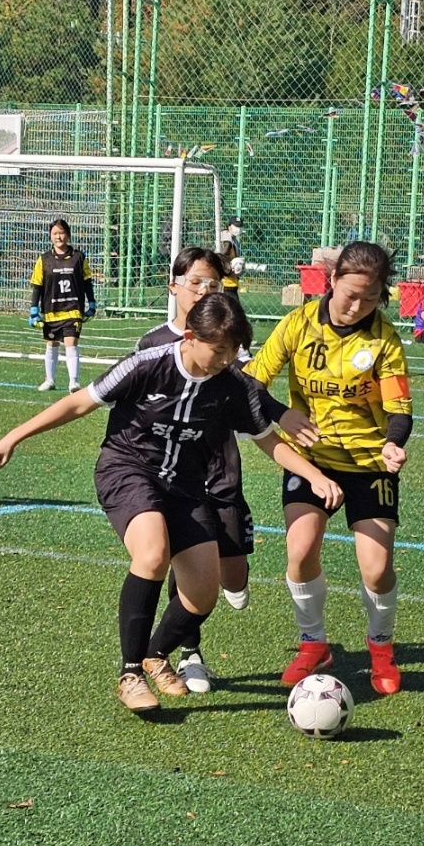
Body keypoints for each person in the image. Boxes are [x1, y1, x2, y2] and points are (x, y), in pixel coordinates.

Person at [0, 294, 342, 714]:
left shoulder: (233, 386)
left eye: (233, 351)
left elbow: (268, 441)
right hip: (128, 469)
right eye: (219, 349)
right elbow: (80, 402)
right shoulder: (148, 364)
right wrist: (14, 436)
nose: (227, 359)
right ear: (191, 336)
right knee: (153, 552)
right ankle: (131, 673)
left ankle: (156, 655)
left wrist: (315, 475)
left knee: (201, 595)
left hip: (186, 489)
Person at [136, 247, 318, 693]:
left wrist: (279, 413)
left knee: (231, 574)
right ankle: (187, 655)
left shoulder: (226, 340)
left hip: (222, 473)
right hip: (170, 479)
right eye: (197, 281)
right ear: (174, 284)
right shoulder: (152, 345)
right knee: (183, 564)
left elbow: (249, 388)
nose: (204, 291)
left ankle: (221, 588)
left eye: (213, 284)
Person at [244, 241, 412, 697]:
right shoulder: (297, 324)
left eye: (371, 298)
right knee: (300, 552)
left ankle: (381, 648)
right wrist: (282, 413)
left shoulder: (384, 339)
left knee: (376, 569)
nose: (357, 306)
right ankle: (313, 643)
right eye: (350, 294)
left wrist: (394, 445)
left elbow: (399, 409)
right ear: (332, 281)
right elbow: (251, 383)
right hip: (313, 459)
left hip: (368, 463)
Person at [29, 218, 94, 393]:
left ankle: (74, 382)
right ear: (50, 236)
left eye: (62, 233)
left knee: (71, 343)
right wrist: (34, 309)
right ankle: (49, 380)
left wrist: (92, 302)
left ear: (68, 234)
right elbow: (37, 285)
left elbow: (87, 282)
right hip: (51, 311)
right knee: (51, 344)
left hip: (73, 309)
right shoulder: (44, 259)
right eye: (55, 233)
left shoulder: (79, 257)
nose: (59, 237)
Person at [220, 216, 246, 308]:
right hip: (226, 283)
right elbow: (222, 259)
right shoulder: (226, 242)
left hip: (231, 281)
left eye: (240, 226)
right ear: (229, 227)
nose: (238, 229)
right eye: (236, 226)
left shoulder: (233, 240)